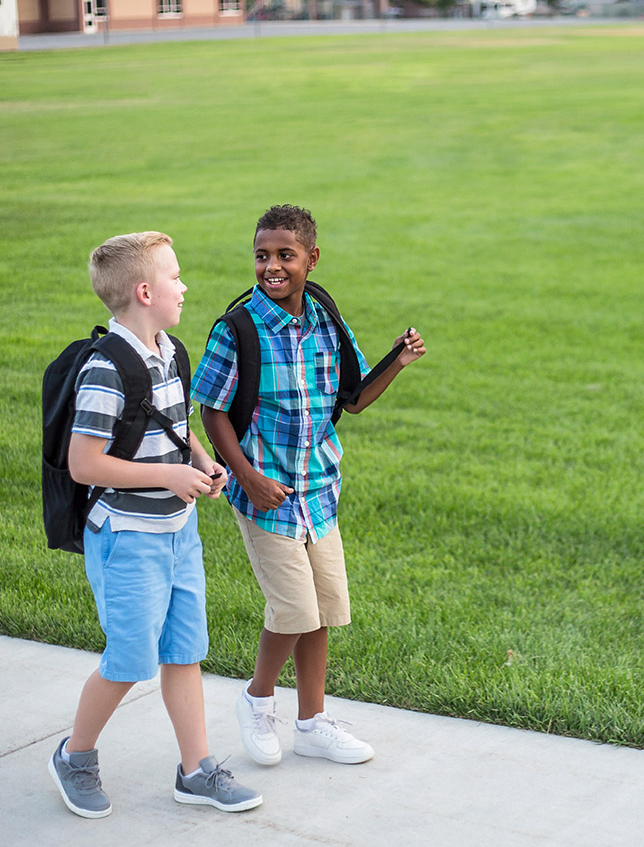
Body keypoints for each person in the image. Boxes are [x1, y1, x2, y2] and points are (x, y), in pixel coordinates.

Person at [191, 204, 425, 768]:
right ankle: (257, 699)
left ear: (310, 259)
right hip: (266, 496)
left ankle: (313, 722)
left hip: (318, 489)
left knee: (322, 609)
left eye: (285, 256)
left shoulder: (325, 319)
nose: (272, 266)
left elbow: (354, 397)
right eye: (262, 256)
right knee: (293, 609)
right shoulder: (238, 329)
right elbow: (212, 409)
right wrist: (246, 475)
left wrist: (398, 360)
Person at [49, 231, 262, 819]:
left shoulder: (171, 350)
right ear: (145, 291)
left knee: (184, 651)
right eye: (175, 276)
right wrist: (166, 479)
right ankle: (75, 754)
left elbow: (174, 423)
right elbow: (85, 463)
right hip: (127, 537)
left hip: (177, 532)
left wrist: (199, 460)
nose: (184, 285)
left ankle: (196, 770)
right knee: (129, 660)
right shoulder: (105, 370)